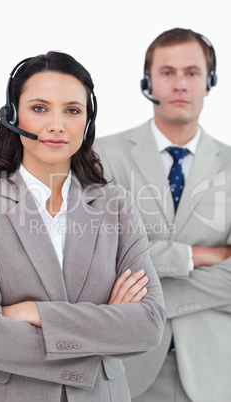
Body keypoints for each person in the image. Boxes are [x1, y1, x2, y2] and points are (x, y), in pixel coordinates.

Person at [0, 51, 166, 402]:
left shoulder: (116, 204)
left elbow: (147, 325)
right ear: (13, 115)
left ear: (87, 122)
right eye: (40, 108)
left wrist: (36, 313)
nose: (57, 124)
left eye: (72, 110)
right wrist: (105, 326)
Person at [95, 28, 231, 402]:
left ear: (209, 83)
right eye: (167, 72)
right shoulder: (101, 156)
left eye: (192, 72)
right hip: (126, 368)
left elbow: (123, 268)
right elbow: (98, 258)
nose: (180, 84)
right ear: (147, 82)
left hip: (215, 373)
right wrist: (194, 256)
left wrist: (142, 302)